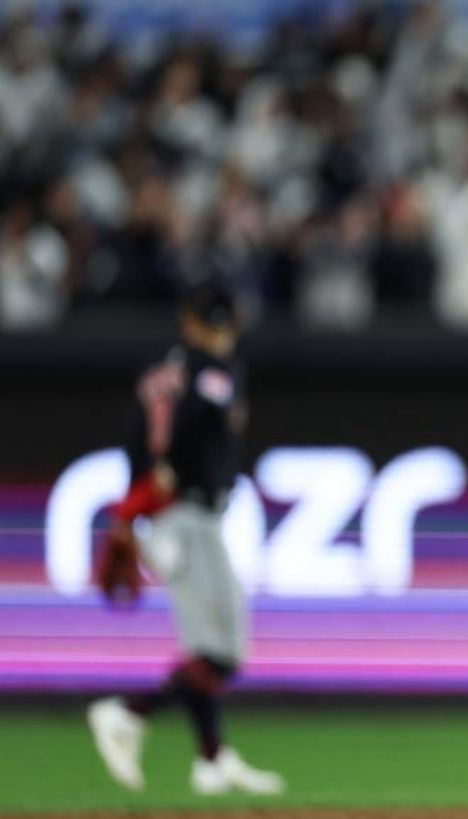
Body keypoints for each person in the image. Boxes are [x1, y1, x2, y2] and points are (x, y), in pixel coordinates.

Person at [86, 281, 285, 797]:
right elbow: (185, 433)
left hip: (167, 513)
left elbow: (138, 443)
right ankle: (129, 712)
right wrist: (155, 486)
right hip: (187, 514)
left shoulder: (160, 373)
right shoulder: (211, 371)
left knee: (204, 647)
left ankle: (211, 759)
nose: (222, 333)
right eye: (218, 322)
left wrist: (131, 512)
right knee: (225, 651)